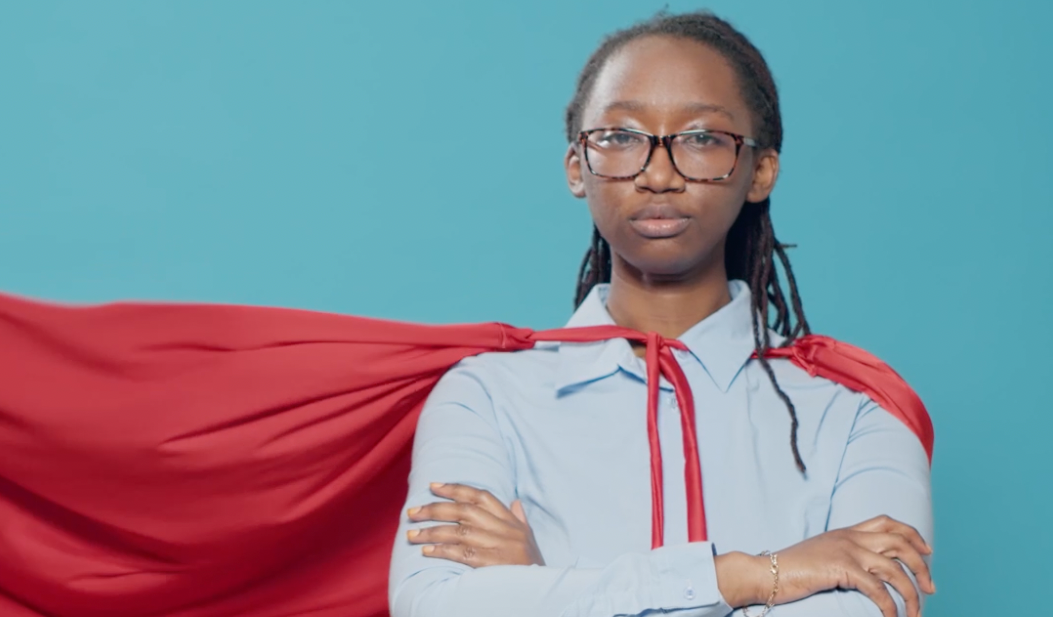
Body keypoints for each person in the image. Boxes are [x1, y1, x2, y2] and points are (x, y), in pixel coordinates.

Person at [389, 11, 935, 617]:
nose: (657, 174)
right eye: (620, 136)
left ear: (761, 170)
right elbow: (434, 606)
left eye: (702, 138)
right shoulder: (484, 397)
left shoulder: (858, 412)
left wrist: (543, 585)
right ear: (577, 165)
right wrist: (745, 577)